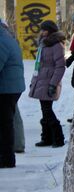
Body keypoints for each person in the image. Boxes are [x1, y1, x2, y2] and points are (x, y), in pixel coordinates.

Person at [28, 20, 66, 148]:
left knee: (47, 111)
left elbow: (60, 66)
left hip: (49, 81)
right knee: (45, 111)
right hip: (41, 80)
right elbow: (39, 65)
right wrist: (34, 82)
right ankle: (47, 138)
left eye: (44, 30)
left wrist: (53, 84)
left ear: (50, 31)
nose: (42, 32)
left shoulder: (56, 45)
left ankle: (58, 138)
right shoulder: (43, 44)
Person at [0, 19, 25, 168]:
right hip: (11, 86)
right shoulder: (7, 38)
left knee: (4, 124)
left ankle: (7, 158)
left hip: (6, 88)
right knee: (5, 123)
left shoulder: (2, 42)